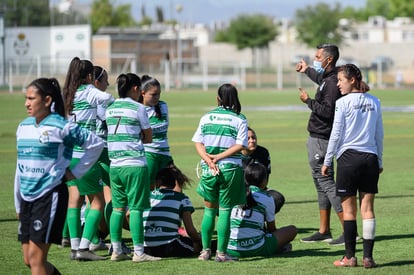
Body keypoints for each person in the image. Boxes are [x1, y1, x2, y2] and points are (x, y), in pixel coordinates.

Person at [14, 78, 104, 275]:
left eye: (31, 98)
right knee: (28, 259)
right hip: (27, 199)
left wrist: (76, 172)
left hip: (49, 196)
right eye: (26, 98)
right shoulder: (23, 127)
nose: (26, 103)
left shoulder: (61, 126)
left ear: (47, 100)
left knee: (37, 261)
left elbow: (95, 144)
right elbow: (20, 168)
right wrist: (18, 203)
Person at [322, 64, 383, 268]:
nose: (338, 84)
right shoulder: (375, 101)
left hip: (348, 159)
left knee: (349, 211)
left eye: (341, 80)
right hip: (370, 158)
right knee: (368, 209)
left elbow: (336, 133)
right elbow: (379, 134)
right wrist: (379, 160)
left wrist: (327, 159)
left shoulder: (343, 102)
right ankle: (368, 257)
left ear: (353, 80)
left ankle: (349, 257)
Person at [62, 57, 115, 261]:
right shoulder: (89, 91)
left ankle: (75, 247)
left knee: (74, 200)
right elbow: (108, 99)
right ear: (89, 76)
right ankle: (85, 247)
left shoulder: (68, 93)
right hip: (86, 154)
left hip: (69, 154)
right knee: (97, 202)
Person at [106, 73, 161, 262]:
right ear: (136, 89)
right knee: (136, 209)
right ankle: (139, 252)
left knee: (117, 209)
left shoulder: (110, 108)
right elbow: (149, 137)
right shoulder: (138, 108)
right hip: (134, 164)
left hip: (115, 165)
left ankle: (116, 251)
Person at [192, 83, 248, 262]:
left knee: (209, 212)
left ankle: (205, 251)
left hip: (209, 170)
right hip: (230, 170)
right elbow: (240, 145)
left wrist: (209, 160)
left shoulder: (207, 117)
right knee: (224, 212)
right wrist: (219, 157)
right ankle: (222, 254)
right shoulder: (239, 118)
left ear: (218, 98)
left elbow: (198, 143)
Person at [295, 43, 345, 245]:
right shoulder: (327, 78)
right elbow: (320, 79)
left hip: (323, 138)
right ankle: (324, 230)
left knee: (325, 181)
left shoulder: (333, 83)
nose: (316, 59)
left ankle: (348, 230)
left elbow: (327, 111)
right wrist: (307, 69)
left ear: (329, 59)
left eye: (318, 57)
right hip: (317, 136)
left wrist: (308, 100)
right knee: (320, 183)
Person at [227, 163, 297, 257]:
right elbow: (271, 229)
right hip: (258, 248)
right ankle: (279, 248)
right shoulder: (267, 198)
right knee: (292, 230)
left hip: (231, 249)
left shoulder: (234, 194)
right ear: (265, 181)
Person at [143, 166, 202, 257]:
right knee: (202, 245)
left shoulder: (146, 196)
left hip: (145, 249)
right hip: (169, 247)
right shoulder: (181, 198)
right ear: (175, 182)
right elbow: (190, 230)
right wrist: (198, 239)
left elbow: (128, 215)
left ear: (158, 182)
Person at [138, 75, 173, 190]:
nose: (157, 97)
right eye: (153, 94)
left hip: (165, 154)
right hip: (149, 154)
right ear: (143, 93)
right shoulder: (138, 109)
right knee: (149, 189)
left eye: (158, 94)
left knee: (175, 188)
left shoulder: (163, 106)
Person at [241, 127, 285, 213]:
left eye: (253, 138)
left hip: (258, 191)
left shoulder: (263, 153)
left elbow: (265, 180)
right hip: (238, 192)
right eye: (248, 138)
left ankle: (259, 221)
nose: (252, 141)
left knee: (277, 198)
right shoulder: (233, 155)